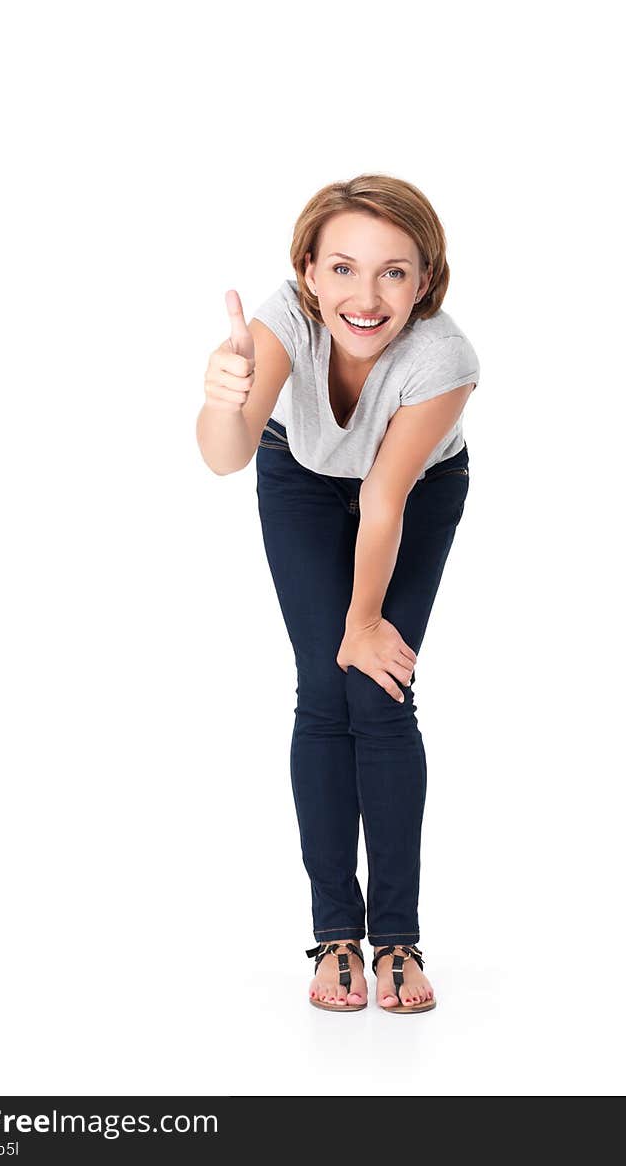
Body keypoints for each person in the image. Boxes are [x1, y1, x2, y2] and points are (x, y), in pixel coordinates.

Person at [196, 174, 479, 1014]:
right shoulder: (281, 321)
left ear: (424, 281)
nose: (366, 295)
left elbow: (387, 498)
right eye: (344, 269)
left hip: (417, 493)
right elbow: (226, 453)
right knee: (324, 692)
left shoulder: (443, 358)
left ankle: (396, 936)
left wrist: (363, 623)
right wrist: (223, 400)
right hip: (304, 479)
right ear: (309, 272)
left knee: (379, 689)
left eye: (394, 271)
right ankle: (335, 938)